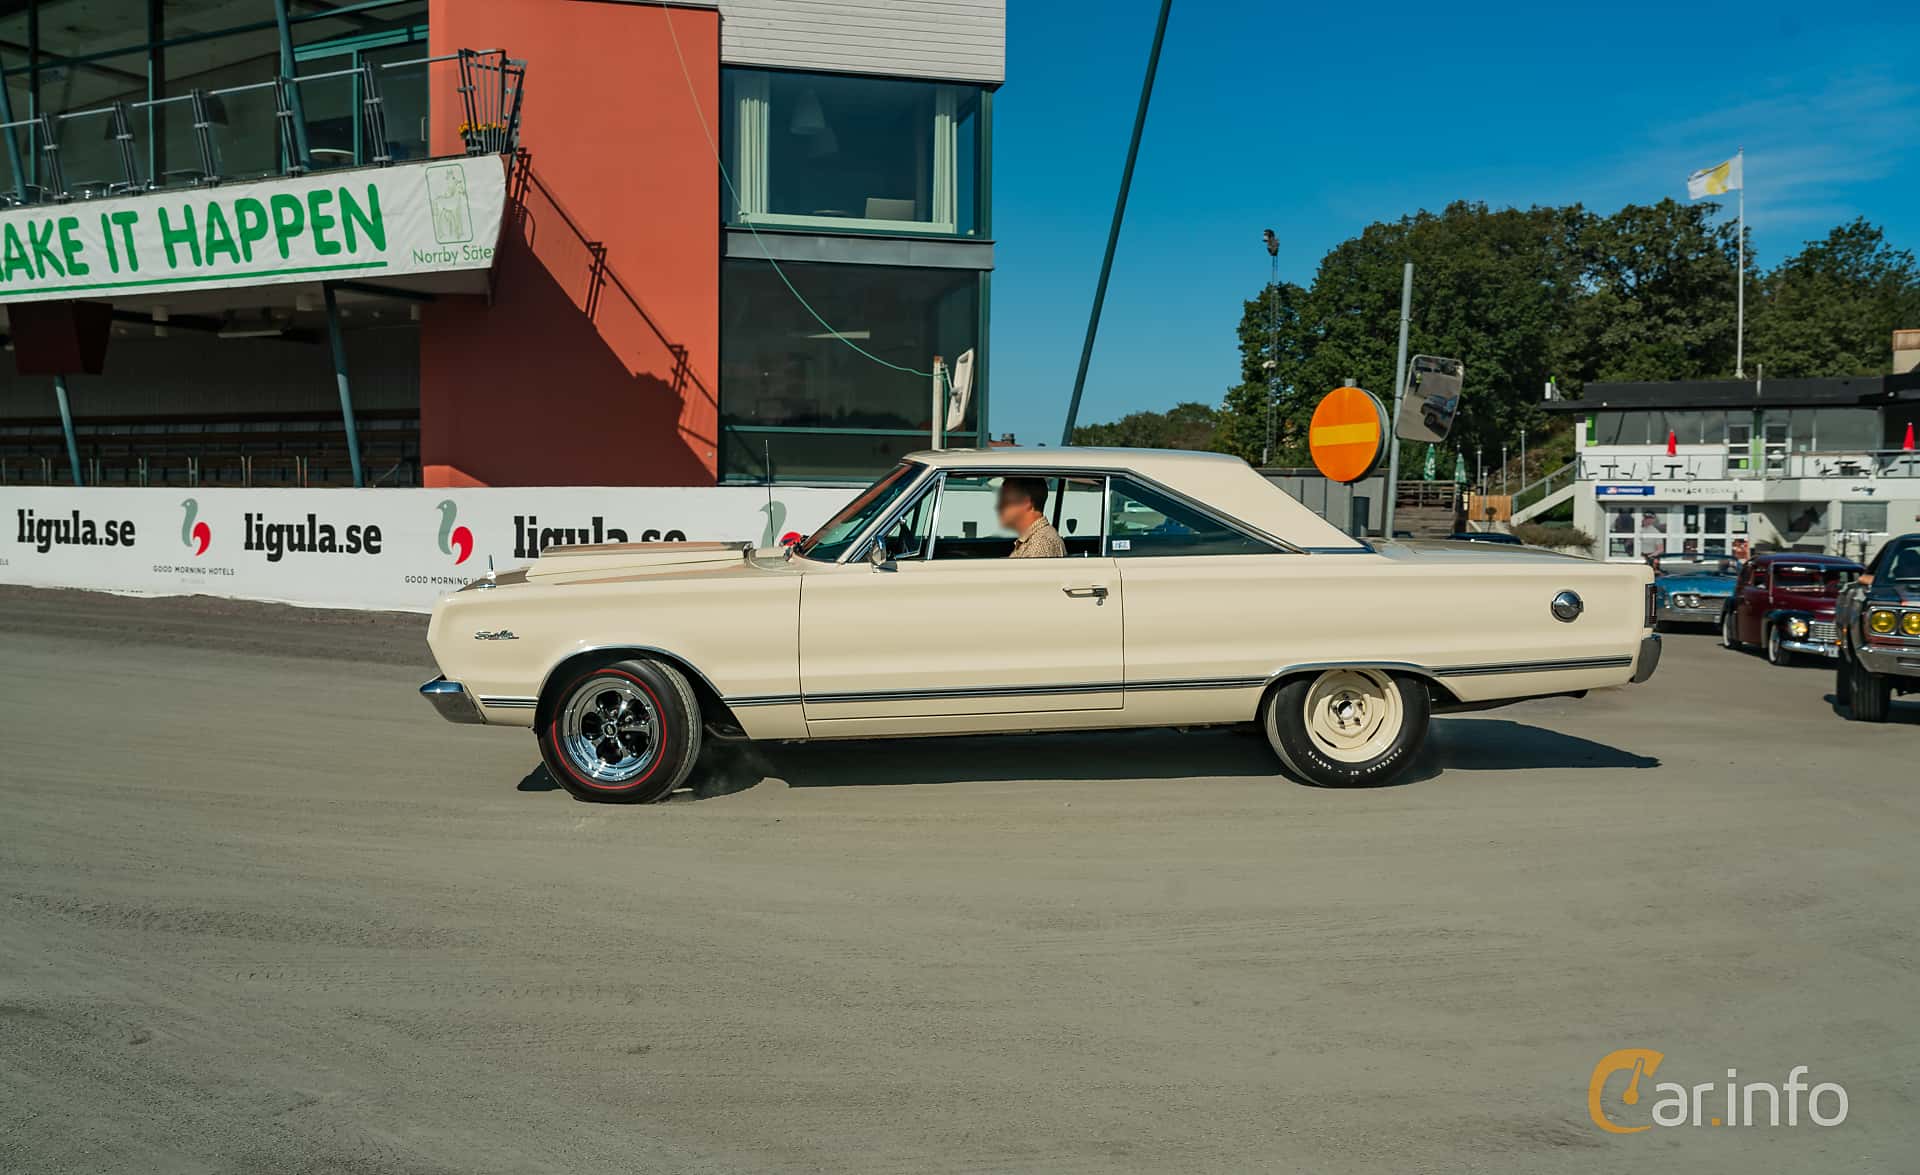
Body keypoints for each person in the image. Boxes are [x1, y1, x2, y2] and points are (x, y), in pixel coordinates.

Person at [998, 477, 1065, 558]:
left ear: (1026, 502)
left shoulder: (1040, 545)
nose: (998, 506)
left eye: (1005, 500)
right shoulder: (1033, 540)